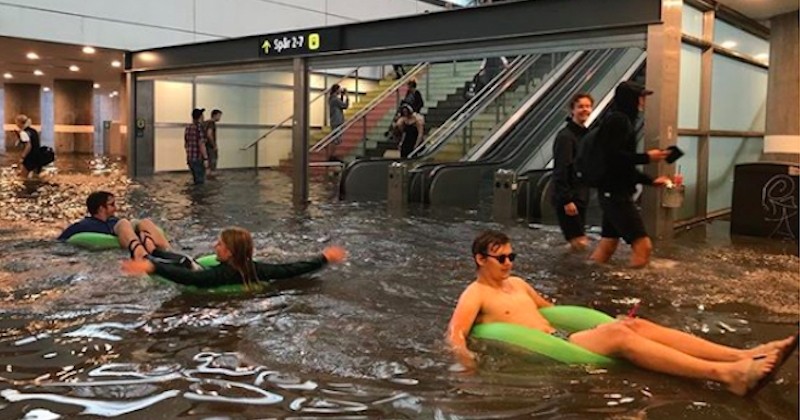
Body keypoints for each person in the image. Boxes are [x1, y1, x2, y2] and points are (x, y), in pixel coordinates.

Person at [447, 230, 798, 397]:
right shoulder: (475, 294)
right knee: (620, 335)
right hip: (550, 348)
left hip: (561, 336)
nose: (509, 263)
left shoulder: (519, 284)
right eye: (502, 258)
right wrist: (467, 367)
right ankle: (726, 374)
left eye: (512, 257)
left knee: (634, 324)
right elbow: (456, 334)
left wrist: (601, 323)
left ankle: (746, 354)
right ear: (481, 259)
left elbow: (553, 312)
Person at [589, 81, 671, 268]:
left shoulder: (621, 120)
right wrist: (647, 157)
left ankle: (587, 279)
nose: (643, 101)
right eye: (641, 97)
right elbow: (614, 157)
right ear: (630, 99)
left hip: (613, 191)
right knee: (644, 246)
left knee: (608, 245)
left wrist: (650, 181)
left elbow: (623, 166)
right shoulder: (619, 121)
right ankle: (634, 293)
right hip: (615, 194)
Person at [121, 226, 347, 291]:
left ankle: (142, 242)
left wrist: (152, 267)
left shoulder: (220, 274)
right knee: (161, 249)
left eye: (219, 244)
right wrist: (323, 258)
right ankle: (148, 241)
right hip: (190, 265)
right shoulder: (256, 268)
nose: (214, 246)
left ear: (229, 252)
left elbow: (190, 279)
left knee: (146, 249)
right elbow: (291, 269)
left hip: (185, 266)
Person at [58, 191, 172, 257]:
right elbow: (60, 241)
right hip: (116, 240)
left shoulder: (113, 221)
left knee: (144, 222)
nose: (115, 208)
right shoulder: (84, 225)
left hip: (122, 232)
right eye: (112, 205)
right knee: (123, 222)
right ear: (101, 208)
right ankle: (141, 255)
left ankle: (169, 252)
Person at [552, 93, 594, 251]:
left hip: (581, 196)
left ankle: (571, 271)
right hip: (569, 198)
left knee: (577, 241)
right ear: (572, 110)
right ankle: (571, 273)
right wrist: (566, 199)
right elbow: (561, 169)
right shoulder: (565, 137)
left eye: (588, 106)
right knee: (579, 242)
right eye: (580, 106)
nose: (585, 110)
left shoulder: (586, 135)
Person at [185, 108, 209, 185]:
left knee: (195, 180)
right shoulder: (199, 128)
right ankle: (199, 197)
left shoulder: (188, 127)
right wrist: (205, 158)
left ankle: (193, 196)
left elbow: (186, 144)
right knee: (200, 182)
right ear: (200, 117)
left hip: (190, 158)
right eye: (203, 115)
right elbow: (201, 144)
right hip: (198, 159)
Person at [15, 114, 43, 179]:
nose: (16, 124)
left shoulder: (24, 132)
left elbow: (28, 145)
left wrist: (22, 157)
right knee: (36, 178)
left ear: (19, 122)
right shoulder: (33, 131)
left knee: (23, 177)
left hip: (30, 158)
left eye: (16, 122)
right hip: (38, 156)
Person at [328, 84, 349, 161]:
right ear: (336, 90)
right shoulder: (335, 99)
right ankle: (332, 155)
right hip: (337, 121)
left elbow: (340, 105)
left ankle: (332, 155)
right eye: (339, 90)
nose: (340, 91)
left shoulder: (332, 98)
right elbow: (345, 106)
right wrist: (347, 97)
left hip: (334, 120)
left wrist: (342, 96)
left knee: (335, 139)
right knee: (335, 139)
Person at [205, 109, 223, 176]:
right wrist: (214, 145)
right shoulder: (211, 123)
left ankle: (208, 175)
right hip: (210, 146)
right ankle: (212, 176)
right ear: (214, 115)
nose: (220, 118)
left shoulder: (205, 122)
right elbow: (209, 134)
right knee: (212, 161)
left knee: (207, 163)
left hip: (205, 146)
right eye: (219, 116)